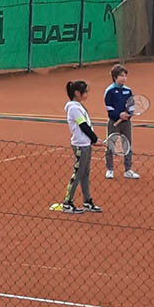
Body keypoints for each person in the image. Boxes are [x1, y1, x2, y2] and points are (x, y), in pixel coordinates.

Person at [62, 80, 102, 214]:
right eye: (85, 92)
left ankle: (87, 201)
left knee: (85, 174)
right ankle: (67, 203)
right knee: (78, 173)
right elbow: (83, 126)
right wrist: (95, 139)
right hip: (80, 146)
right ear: (77, 93)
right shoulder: (74, 108)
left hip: (86, 144)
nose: (87, 94)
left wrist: (92, 140)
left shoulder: (78, 106)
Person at [104, 64, 140, 179]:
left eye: (125, 76)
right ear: (115, 77)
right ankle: (110, 169)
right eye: (121, 76)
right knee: (111, 145)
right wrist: (119, 115)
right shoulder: (109, 91)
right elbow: (109, 109)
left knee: (127, 145)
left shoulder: (128, 91)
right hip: (113, 122)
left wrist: (128, 115)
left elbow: (131, 106)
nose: (124, 78)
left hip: (126, 123)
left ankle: (128, 170)